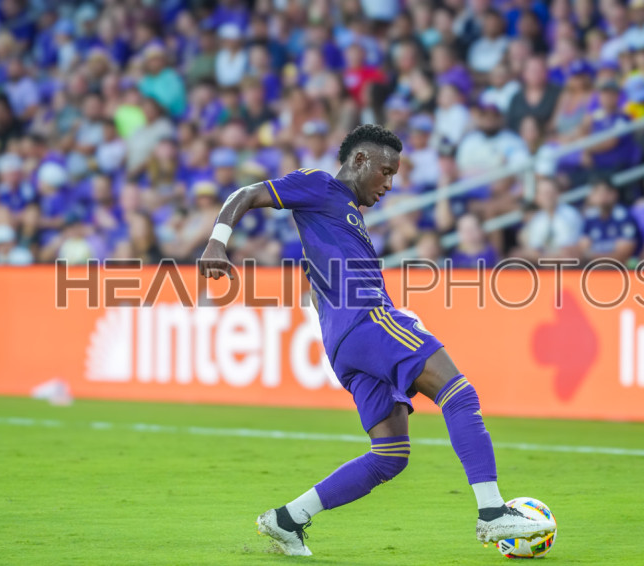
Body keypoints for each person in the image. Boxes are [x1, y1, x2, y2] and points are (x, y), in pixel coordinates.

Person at [198, 124, 555, 556]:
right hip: (367, 321)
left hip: (345, 343)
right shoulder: (319, 186)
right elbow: (248, 193)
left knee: (390, 454)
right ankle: (493, 513)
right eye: (386, 172)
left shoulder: (343, 214)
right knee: (458, 393)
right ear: (360, 160)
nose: (389, 184)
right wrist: (217, 242)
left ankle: (287, 519)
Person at [578, 177, 639, 263]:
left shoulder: (624, 216)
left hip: (622, 268)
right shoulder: (589, 218)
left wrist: (593, 256)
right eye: (597, 192)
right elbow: (583, 250)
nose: (601, 196)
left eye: (604, 192)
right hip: (596, 267)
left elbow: (623, 254)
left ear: (614, 194)